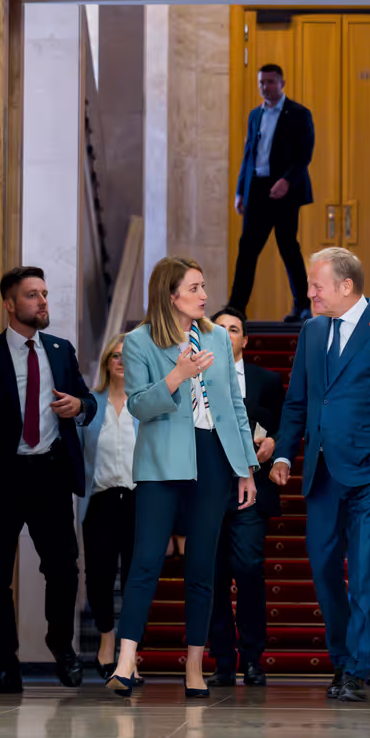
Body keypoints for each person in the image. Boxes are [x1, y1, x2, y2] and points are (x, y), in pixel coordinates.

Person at [270, 248, 370, 702]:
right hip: (321, 473)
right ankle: (343, 657)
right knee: (323, 569)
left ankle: (355, 668)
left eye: (317, 285)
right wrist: (283, 455)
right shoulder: (312, 331)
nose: (310, 293)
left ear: (346, 286)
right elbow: (298, 401)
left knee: (363, 573)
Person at [105, 257, 258, 699]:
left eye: (204, 287)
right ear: (171, 295)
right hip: (161, 461)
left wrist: (245, 467)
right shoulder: (139, 342)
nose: (203, 296)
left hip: (212, 456)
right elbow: (138, 406)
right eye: (194, 288)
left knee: (201, 566)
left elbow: (233, 407)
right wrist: (177, 375)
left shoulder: (215, 337)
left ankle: (194, 664)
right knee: (146, 560)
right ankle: (126, 660)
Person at [0, 266, 97, 695]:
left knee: (64, 569)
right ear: (10, 304)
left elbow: (87, 399)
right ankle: (4, 665)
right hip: (0, 480)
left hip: (50, 474)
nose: (43, 302)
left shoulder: (61, 350)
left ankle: (59, 643)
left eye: (45, 294)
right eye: (33, 295)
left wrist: (80, 406)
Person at [207, 307, 285, 687]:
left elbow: (286, 426)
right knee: (214, 576)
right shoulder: (196, 377)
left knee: (249, 569)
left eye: (233, 329)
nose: (226, 334)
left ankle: (253, 657)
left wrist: (275, 444)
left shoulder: (266, 381)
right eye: (218, 328)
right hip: (207, 490)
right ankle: (223, 659)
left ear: (245, 339)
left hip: (252, 491)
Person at [230, 64, 315, 323]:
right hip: (257, 189)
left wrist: (287, 180)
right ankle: (236, 307)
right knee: (247, 248)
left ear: (282, 83)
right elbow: (249, 154)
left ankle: (302, 306)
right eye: (261, 82)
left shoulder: (298, 113)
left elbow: (305, 154)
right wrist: (240, 190)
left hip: (285, 191)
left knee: (288, 245)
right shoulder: (255, 115)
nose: (265, 87)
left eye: (270, 82)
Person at [80, 335, 142, 683]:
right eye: (115, 356)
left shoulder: (144, 405)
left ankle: (130, 654)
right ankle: (107, 640)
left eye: (127, 356)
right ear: (106, 363)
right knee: (99, 578)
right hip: (101, 501)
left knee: (135, 580)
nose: (121, 361)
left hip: (137, 503)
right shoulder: (91, 405)